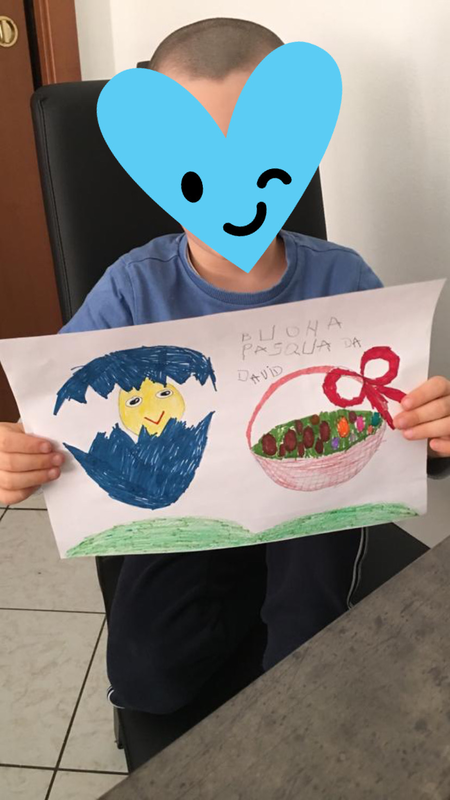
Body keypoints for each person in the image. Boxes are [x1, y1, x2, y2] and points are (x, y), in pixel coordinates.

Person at [1, 18, 449, 714]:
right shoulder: (132, 290)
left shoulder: (344, 280)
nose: (233, 192)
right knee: (149, 681)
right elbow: (56, 412)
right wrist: (18, 456)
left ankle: (291, 666)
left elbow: (398, 418)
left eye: (257, 157)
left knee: (306, 658)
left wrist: (432, 430)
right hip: (184, 511)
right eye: (199, 167)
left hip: (311, 512)